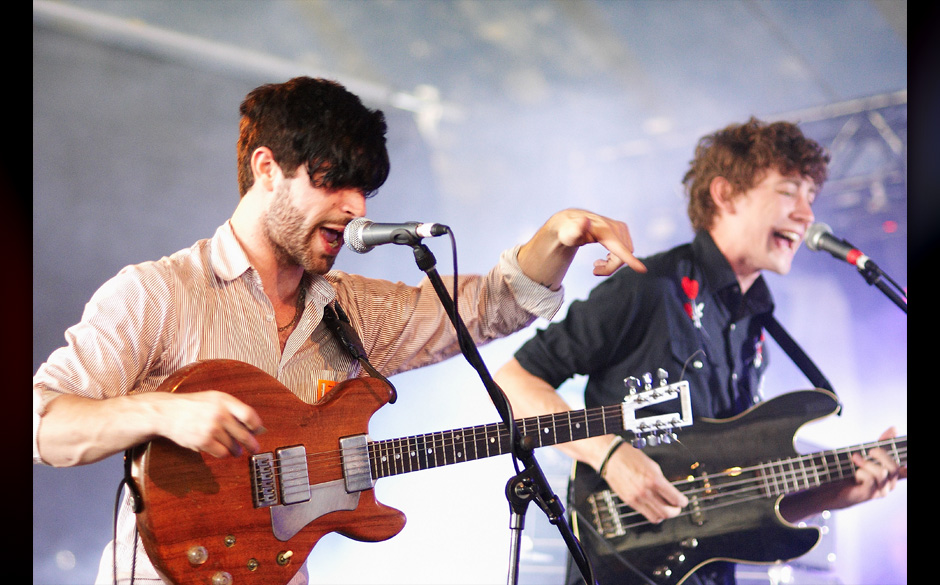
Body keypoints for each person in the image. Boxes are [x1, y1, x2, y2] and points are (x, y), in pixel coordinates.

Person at [31, 76, 648, 585]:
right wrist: (162, 414)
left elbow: (485, 306)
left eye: (365, 189)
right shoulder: (160, 293)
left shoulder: (349, 308)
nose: (357, 208)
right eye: (332, 181)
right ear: (267, 168)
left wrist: (560, 234)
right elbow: (44, 425)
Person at [493, 118, 906, 585]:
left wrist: (835, 493)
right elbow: (513, 381)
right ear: (725, 194)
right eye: (789, 192)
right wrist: (609, 456)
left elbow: (736, 497)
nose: (807, 214)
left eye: (811, 198)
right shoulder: (652, 287)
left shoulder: (755, 326)